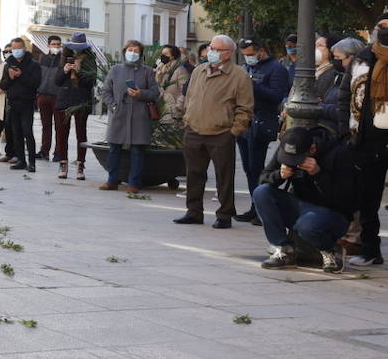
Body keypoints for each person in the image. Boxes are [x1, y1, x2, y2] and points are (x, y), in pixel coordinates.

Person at [254, 123, 357, 273]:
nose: (293, 161)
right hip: (300, 206)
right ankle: (284, 250)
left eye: (297, 159)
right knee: (261, 192)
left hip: (332, 213)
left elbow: (347, 200)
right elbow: (263, 179)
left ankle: (332, 251)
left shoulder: (338, 153)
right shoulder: (289, 147)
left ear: (312, 149)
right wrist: (279, 176)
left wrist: (319, 174)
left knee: (307, 225)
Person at [175, 34, 253, 228]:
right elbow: (189, 96)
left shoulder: (239, 75)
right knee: (193, 174)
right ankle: (193, 212)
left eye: (218, 49)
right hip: (194, 130)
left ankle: (225, 215)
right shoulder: (199, 71)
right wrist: (187, 119)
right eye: (211, 48)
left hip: (221, 133)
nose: (212, 52)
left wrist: (234, 132)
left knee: (224, 177)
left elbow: (245, 108)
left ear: (229, 53)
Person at [341, 13, 388, 266]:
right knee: (367, 200)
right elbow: (344, 96)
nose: (383, 31)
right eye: (381, 27)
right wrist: (344, 129)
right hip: (366, 141)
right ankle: (371, 250)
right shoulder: (362, 59)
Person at [234, 38, 292, 223]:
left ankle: (262, 209)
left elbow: (276, 96)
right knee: (248, 169)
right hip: (244, 123)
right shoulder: (246, 68)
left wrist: (252, 85)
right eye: (244, 55)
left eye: (250, 54)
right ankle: (254, 206)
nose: (248, 58)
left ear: (261, 51)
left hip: (261, 123)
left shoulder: (276, 69)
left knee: (257, 168)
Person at [100, 39, 158, 192]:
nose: (133, 53)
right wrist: (113, 105)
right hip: (119, 114)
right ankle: (112, 181)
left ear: (141, 54)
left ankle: (134, 183)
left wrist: (141, 93)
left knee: (137, 151)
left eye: (136, 51)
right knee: (114, 149)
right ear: (125, 51)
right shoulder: (115, 70)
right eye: (130, 50)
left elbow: (155, 93)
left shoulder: (148, 71)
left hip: (139, 116)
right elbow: (105, 91)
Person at [54, 33, 98, 180]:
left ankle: (80, 164)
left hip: (81, 100)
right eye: (73, 48)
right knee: (62, 133)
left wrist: (80, 72)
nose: (75, 51)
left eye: (79, 49)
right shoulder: (63, 57)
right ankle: (63, 163)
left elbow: (91, 82)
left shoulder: (90, 60)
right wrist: (65, 70)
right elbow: (57, 81)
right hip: (64, 99)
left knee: (81, 133)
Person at [0, 37, 42, 171]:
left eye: (19, 48)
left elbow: (36, 83)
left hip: (27, 103)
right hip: (12, 102)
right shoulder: (8, 64)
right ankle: (21, 160)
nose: (16, 51)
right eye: (14, 49)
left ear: (24, 48)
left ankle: (32, 162)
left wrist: (21, 75)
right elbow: (3, 85)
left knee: (27, 132)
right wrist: (11, 78)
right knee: (15, 132)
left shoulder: (33, 64)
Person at [35, 35, 64, 162]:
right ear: (48, 45)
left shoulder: (63, 60)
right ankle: (44, 151)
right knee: (45, 125)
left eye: (58, 44)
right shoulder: (43, 59)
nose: (56, 47)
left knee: (59, 126)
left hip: (58, 97)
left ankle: (58, 153)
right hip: (43, 95)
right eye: (54, 44)